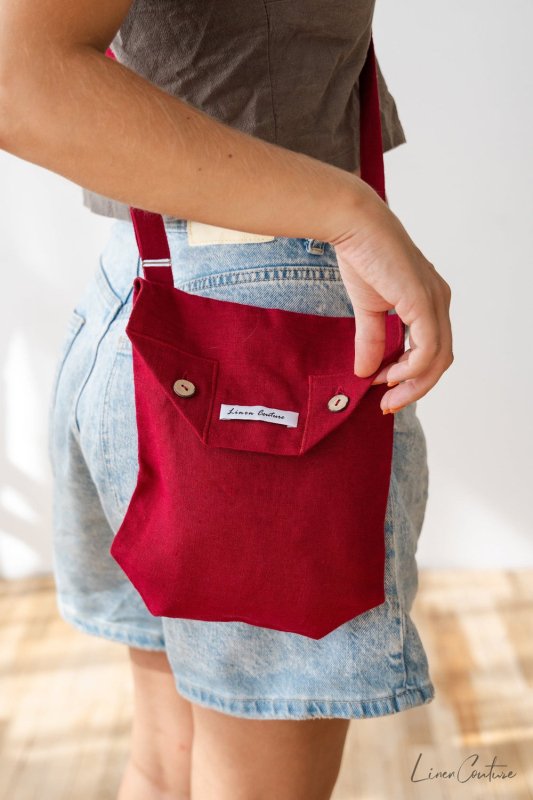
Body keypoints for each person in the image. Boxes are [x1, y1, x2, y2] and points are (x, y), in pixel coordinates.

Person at [0, 0, 453, 798]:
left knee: (166, 769)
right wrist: (348, 214)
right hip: (269, 345)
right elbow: (18, 77)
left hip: (148, 294)